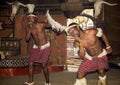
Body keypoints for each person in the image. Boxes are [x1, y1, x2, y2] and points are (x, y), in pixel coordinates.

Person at [24, 14, 51, 85]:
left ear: (36, 19)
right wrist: (29, 30)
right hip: (36, 47)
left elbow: (50, 25)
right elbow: (27, 39)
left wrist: (47, 22)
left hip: (45, 47)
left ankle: (47, 82)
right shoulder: (29, 28)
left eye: (32, 18)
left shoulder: (41, 25)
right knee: (30, 63)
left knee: (44, 65)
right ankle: (30, 82)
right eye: (29, 18)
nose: (30, 19)